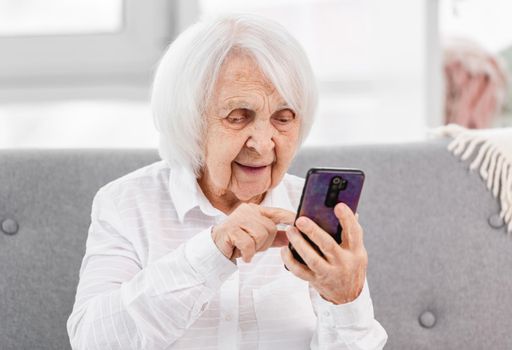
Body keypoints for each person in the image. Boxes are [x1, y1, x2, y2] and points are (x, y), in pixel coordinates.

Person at [67, 14, 388, 350]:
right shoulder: (126, 204)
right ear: (189, 120)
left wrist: (346, 300)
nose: (263, 144)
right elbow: (92, 342)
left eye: (283, 118)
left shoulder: (310, 215)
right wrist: (211, 252)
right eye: (238, 117)